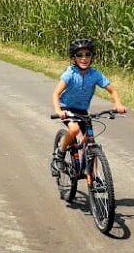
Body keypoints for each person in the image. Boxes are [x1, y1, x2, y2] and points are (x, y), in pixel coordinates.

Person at [51, 38, 126, 176]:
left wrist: (118, 104)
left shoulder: (95, 74)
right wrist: (58, 111)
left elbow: (112, 90)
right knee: (74, 130)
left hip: (82, 111)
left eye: (87, 54)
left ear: (92, 57)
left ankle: (92, 177)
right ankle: (59, 155)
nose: (84, 58)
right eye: (79, 55)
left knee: (90, 140)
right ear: (74, 58)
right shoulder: (70, 73)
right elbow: (56, 94)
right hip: (67, 108)